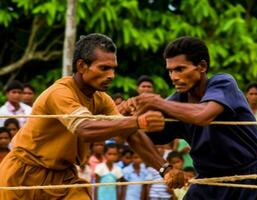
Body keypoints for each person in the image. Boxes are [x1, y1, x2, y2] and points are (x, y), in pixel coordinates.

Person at [0, 33, 184, 200]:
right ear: (81, 66)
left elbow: (131, 133)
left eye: (113, 69)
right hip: (23, 175)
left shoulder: (101, 99)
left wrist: (165, 168)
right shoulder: (60, 93)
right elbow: (85, 129)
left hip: (64, 178)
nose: (111, 75)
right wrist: (138, 121)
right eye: (104, 68)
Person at [130, 36, 257, 199]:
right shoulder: (175, 101)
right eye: (170, 71)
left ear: (202, 66)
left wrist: (156, 102)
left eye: (180, 69)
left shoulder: (223, 83)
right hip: (210, 183)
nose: (173, 77)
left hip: (256, 178)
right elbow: (135, 135)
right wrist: (165, 169)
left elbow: (202, 115)